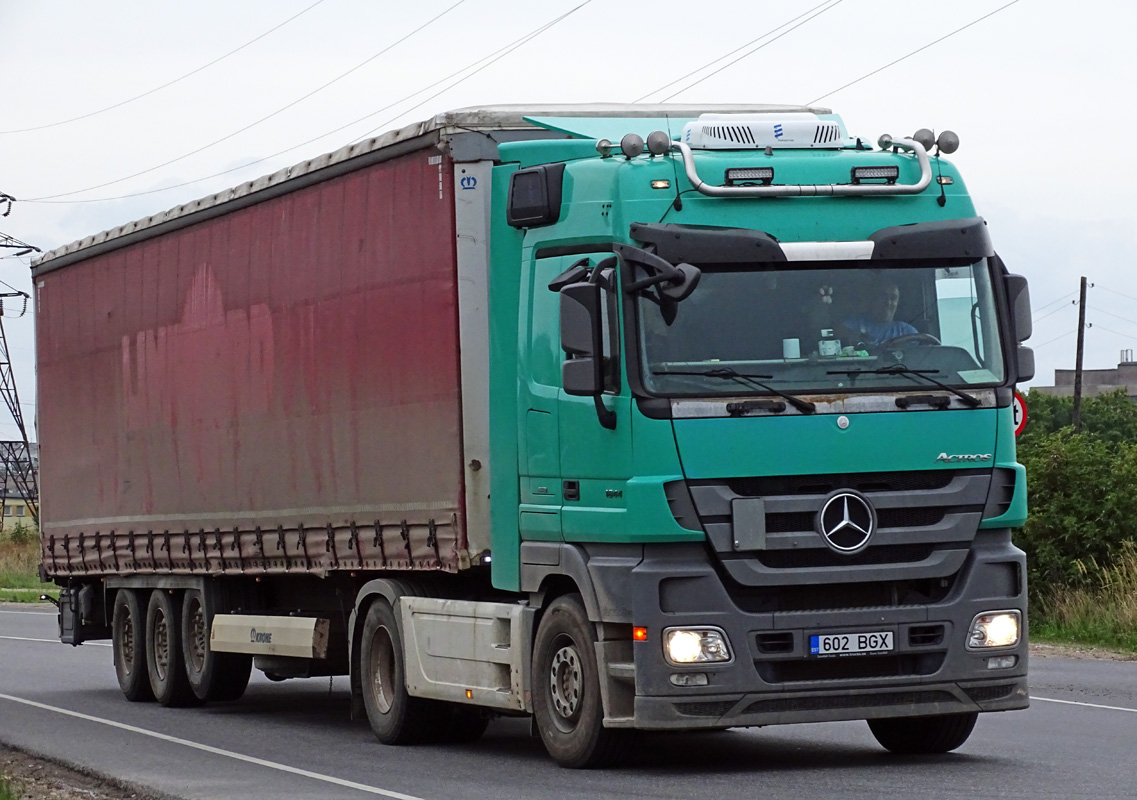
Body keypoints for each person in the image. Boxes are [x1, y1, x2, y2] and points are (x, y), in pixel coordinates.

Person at [841, 278, 918, 347]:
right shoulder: (853, 325)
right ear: (872, 299)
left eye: (893, 298)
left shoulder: (908, 331)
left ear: (898, 303)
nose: (888, 302)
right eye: (883, 297)